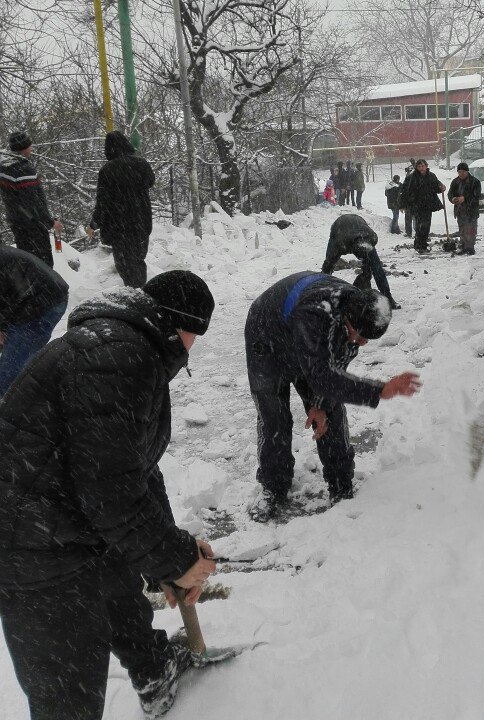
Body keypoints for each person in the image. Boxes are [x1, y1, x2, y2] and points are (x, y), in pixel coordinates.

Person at [0, 270, 218, 720]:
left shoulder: (122, 344)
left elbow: (133, 468)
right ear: (185, 327)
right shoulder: (120, 356)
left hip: (66, 515)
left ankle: (155, 672)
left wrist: (166, 557)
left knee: (119, 586)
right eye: (197, 336)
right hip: (29, 543)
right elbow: (112, 493)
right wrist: (176, 557)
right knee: (67, 691)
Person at [245, 272, 421, 515]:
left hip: (309, 342)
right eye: (359, 336)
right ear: (346, 319)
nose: (361, 344)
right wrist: (379, 390)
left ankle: (341, 484)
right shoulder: (315, 312)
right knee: (273, 415)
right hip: (267, 339)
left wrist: (320, 405)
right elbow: (322, 377)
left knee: (332, 412)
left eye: (366, 339)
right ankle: (273, 486)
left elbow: (335, 371)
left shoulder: (355, 310)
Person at [87, 131, 155, 287]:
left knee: (124, 264)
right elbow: (150, 182)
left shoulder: (107, 170)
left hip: (120, 226)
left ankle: (133, 293)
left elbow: (102, 202)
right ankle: (140, 291)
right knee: (138, 260)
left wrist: (93, 224)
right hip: (141, 222)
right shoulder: (141, 164)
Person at [0, 246, 69, 397]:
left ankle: (14, 406)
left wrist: (2, 328)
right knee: (16, 359)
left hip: (44, 302)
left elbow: (5, 299)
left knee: (11, 369)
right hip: (33, 298)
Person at [0, 131, 62, 267]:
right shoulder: (23, 170)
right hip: (32, 225)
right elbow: (32, 202)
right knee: (43, 265)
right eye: (29, 144)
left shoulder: (5, 168)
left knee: (28, 264)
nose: (31, 147)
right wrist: (51, 222)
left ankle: (33, 287)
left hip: (17, 223)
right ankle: (45, 288)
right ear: (25, 147)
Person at [321, 212, 400, 308]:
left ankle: (373, 291)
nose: (360, 258)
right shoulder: (339, 244)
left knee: (374, 267)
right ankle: (322, 294)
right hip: (339, 226)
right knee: (328, 265)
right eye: (360, 256)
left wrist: (387, 296)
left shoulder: (371, 239)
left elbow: (378, 270)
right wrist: (323, 281)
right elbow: (328, 263)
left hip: (359, 225)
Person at [404, 158, 446, 253]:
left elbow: (437, 187)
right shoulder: (411, 178)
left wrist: (442, 188)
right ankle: (419, 245)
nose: (421, 168)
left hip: (428, 205)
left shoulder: (431, 176)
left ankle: (422, 245)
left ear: (426, 166)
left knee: (426, 226)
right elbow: (406, 190)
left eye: (423, 166)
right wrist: (407, 203)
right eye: (419, 166)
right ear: (416, 167)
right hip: (417, 205)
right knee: (419, 226)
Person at [447, 162, 482, 255]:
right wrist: (453, 198)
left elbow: (477, 196)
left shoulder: (475, 182)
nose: (461, 174)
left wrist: (465, 198)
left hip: (471, 210)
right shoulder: (455, 182)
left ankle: (470, 247)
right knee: (462, 228)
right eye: (459, 172)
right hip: (460, 210)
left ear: (467, 171)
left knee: (470, 229)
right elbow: (450, 193)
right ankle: (463, 245)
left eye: (463, 172)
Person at [399, 162, 416, 238]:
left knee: (414, 218)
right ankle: (409, 232)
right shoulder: (407, 180)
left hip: (415, 203)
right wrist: (402, 205)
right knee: (409, 218)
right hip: (409, 203)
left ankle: (416, 232)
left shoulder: (416, 179)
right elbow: (403, 193)